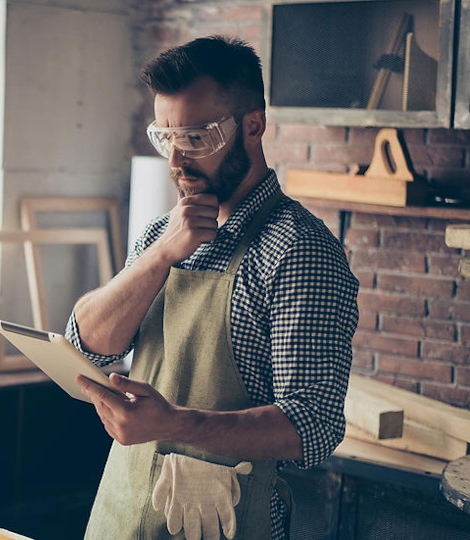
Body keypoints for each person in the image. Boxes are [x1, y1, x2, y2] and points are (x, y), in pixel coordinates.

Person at [65, 36, 359, 540]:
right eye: (166, 138)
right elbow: (84, 347)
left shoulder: (300, 252)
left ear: (253, 125)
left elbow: (313, 425)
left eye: (197, 138)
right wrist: (160, 255)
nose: (177, 160)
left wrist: (174, 425)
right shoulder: (162, 234)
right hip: (121, 512)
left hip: (227, 522)